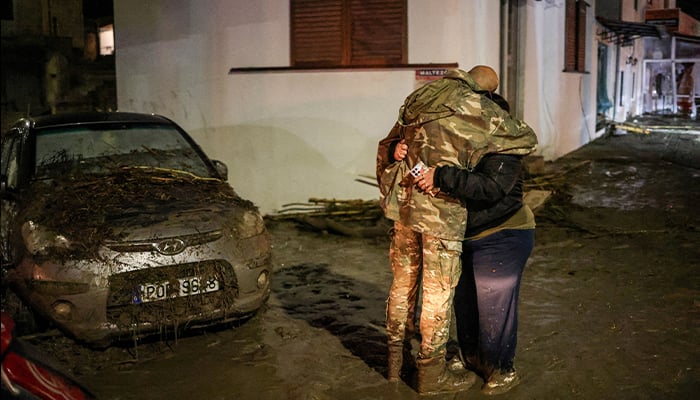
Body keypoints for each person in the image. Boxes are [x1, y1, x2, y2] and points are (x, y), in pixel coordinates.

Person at [376, 65, 536, 395]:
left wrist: (434, 172)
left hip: (481, 227)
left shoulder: (428, 103)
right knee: (450, 298)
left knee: (481, 303)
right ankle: (447, 366)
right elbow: (526, 138)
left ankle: (495, 367)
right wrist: (401, 151)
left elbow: (493, 186)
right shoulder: (467, 117)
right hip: (448, 223)